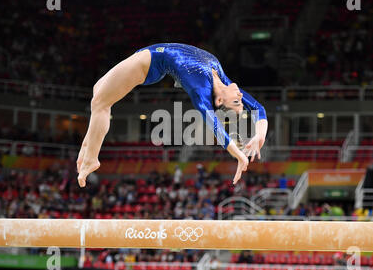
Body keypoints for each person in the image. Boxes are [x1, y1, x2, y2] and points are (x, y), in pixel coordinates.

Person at [76, 43, 268, 187]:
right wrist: (260, 134)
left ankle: (92, 158)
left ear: (219, 102)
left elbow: (214, 124)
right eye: (240, 100)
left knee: (100, 103)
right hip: (150, 54)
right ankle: (87, 145)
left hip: (147, 64)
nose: (241, 96)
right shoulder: (222, 78)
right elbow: (259, 108)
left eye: (236, 102)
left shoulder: (200, 89)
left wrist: (238, 155)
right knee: (98, 90)